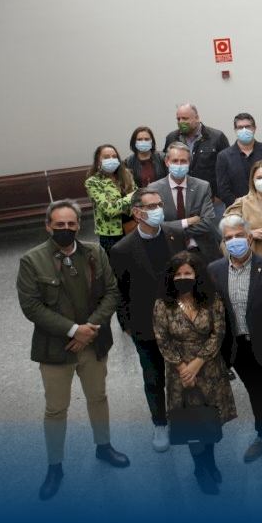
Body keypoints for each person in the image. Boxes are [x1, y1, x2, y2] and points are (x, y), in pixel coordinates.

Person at [17, 200, 125, 501]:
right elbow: (31, 306)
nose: (66, 229)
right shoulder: (31, 261)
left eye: (71, 224)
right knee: (56, 409)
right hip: (55, 348)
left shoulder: (95, 253)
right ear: (48, 226)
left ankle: (104, 446)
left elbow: (112, 292)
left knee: (98, 397)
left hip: (93, 342)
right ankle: (55, 467)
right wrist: (73, 330)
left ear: (79, 225)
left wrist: (88, 330)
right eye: (59, 225)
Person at [207, 215, 262, 468]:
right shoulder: (214, 270)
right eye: (228, 238)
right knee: (255, 392)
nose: (234, 241)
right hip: (237, 348)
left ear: (249, 238)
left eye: (239, 235)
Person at [109, 188, 187, 453]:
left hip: (179, 319)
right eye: (151, 206)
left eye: (159, 204)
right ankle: (160, 423)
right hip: (145, 324)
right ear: (137, 212)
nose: (158, 210)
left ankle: (183, 417)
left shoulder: (175, 235)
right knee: (153, 378)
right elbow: (119, 291)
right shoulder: (122, 249)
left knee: (183, 372)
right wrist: (127, 325)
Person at [153, 251, 236, 495]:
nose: (183, 277)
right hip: (180, 375)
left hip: (209, 369)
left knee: (209, 420)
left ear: (197, 275)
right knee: (192, 423)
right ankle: (200, 469)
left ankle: (210, 462)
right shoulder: (162, 304)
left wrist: (197, 363)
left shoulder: (211, 299)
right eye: (178, 274)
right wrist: (183, 368)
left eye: (187, 273)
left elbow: (218, 333)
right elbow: (162, 339)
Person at [149, 142, 223, 264]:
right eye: (175, 161)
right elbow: (155, 225)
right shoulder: (154, 189)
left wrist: (171, 229)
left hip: (200, 248)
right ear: (167, 162)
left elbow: (208, 222)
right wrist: (186, 222)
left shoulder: (202, 186)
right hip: (169, 250)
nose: (179, 165)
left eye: (183, 161)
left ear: (189, 163)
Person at [164, 102, 229, 210]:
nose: (181, 122)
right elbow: (166, 167)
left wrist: (220, 196)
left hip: (212, 201)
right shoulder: (172, 138)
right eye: (178, 119)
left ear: (197, 118)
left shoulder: (217, 137)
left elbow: (227, 169)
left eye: (185, 118)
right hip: (181, 201)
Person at [215, 112, 262, 207]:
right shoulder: (224, 156)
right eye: (240, 127)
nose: (244, 130)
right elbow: (223, 190)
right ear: (235, 130)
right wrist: (242, 206)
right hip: (238, 209)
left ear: (254, 128)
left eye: (247, 127)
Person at [84, 144, 136, 252]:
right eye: (106, 157)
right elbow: (109, 209)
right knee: (116, 260)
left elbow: (139, 198)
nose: (111, 159)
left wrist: (134, 197)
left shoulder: (126, 175)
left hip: (132, 225)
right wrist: (131, 197)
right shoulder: (93, 182)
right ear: (98, 161)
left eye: (114, 156)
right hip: (111, 234)